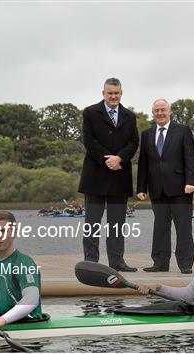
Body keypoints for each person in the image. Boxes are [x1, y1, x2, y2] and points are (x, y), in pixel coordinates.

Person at [78, 78, 139, 272]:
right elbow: (89, 141)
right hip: (95, 174)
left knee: (117, 223)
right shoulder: (90, 113)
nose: (113, 96)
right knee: (92, 222)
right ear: (103, 93)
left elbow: (133, 143)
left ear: (121, 93)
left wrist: (119, 158)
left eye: (117, 93)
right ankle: (91, 261)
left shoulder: (130, 116)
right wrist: (108, 159)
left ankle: (117, 261)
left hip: (120, 176)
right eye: (110, 93)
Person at [137, 99, 194, 274]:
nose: (160, 113)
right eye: (157, 110)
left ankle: (185, 264)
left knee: (183, 227)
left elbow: (190, 158)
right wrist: (141, 188)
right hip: (157, 189)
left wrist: (191, 182)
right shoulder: (147, 134)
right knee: (160, 228)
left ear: (170, 111)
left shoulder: (183, 130)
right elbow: (143, 163)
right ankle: (160, 263)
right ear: (153, 112)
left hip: (181, 188)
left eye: (163, 110)